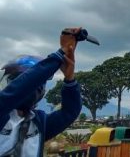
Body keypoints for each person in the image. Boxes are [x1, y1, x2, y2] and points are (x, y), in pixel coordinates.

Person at [0, 28, 83, 156]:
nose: (34, 86)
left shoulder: (38, 122)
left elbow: (70, 112)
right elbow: (21, 88)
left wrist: (70, 79)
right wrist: (60, 53)